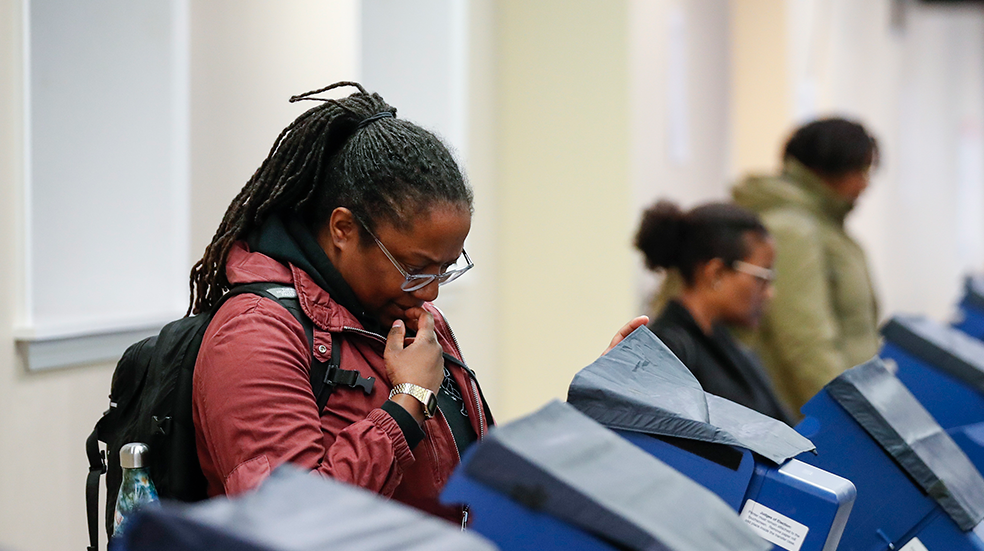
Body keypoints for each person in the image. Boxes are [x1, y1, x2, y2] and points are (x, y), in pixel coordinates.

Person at [190, 82, 644, 523]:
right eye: (416, 268)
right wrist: (408, 402)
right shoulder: (255, 333)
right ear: (343, 229)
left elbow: (478, 476)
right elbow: (288, 522)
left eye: (445, 268)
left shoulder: (409, 319)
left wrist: (590, 415)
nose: (431, 292)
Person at [732, 117, 881, 416]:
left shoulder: (822, 224)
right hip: (817, 416)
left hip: (846, 399)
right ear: (823, 169)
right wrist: (851, 420)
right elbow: (805, 341)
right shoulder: (792, 230)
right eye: (859, 170)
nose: (865, 183)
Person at [635, 200, 794, 424]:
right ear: (716, 273)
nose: (769, 293)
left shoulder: (724, 342)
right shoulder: (669, 352)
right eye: (761, 278)